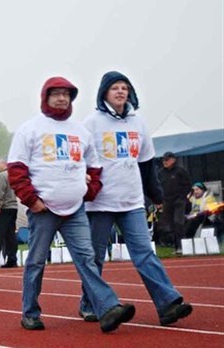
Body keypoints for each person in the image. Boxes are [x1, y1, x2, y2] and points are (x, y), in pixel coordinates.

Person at [7, 76, 135, 332]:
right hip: (43, 209)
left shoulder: (80, 131)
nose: (62, 98)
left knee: (87, 259)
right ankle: (29, 312)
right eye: (56, 94)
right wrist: (32, 200)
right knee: (36, 262)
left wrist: (89, 192)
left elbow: (95, 166)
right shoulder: (30, 129)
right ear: (46, 97)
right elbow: (16, 169)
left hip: (75, 208)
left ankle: (107, 308)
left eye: (67, 94)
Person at [79, 71, 193, 327]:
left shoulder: (138, 123)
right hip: (100, 203)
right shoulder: (92, 123)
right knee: (96, 257)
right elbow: (81, 160)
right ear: (104, 93)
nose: (120, 92)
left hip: (131, 201)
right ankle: (89, 304)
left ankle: (167, 304)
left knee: (144, 254)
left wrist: (156, 196)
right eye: (115, 88)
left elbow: (145, 165)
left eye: (124, 87)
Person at [158, 151, 192, 253]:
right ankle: (175, 246)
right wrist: (160, 200)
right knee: (169, 225)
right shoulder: (160, 173)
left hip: (179, 201)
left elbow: (188, 185)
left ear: (173, 160)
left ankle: (182, 246)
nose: (165, 162)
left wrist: (182, 197)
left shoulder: (180, 171)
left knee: (179, 222)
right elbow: (158, 187)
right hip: (167, 202)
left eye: (167, 160)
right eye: (163, 160)